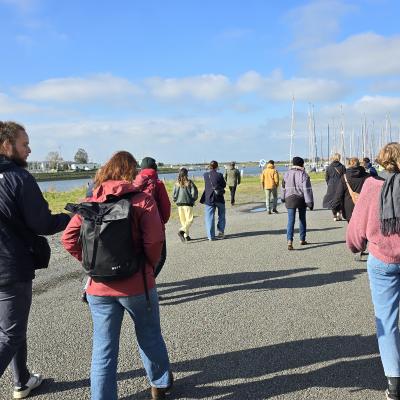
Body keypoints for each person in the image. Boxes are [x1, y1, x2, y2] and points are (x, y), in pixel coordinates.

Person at [62, 151, 172, 400]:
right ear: (130, 173)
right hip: (138, 285)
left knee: (103, 349)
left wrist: (90, 263)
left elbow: (68, 238)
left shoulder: (89, 201)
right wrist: (147, 266)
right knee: (149, 335)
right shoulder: (141, 200)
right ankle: (159, 384)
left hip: (98, 288)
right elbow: (155, 240)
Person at [0, 121, 70, 399]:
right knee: (11, 334)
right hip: (10, 267)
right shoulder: (19, 178)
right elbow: (42, 223)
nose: (30, 150)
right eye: (25, 143)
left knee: (11, 328)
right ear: (7, 145)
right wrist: (71, 218)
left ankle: (22, 380)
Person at [346, 143, 400, 400]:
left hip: (382, 259)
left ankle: (394, 383)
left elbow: (356, 228)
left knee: (387, 321)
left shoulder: (371, 186)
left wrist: (356, 246)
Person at [134, 157, 171, 278]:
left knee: (139, 256)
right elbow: (166, 207)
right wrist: (162, 221)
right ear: (155, 168)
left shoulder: (133, 183)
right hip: (154, 226)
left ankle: (139, 284)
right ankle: (147, 285)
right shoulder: (158, 183)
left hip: (135, 225)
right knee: (160, 257)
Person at [281, 157, 314, 250]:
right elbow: (307, 190)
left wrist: (282, 198)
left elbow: (283, 187)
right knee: (302, 219)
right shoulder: (304, 174)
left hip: (289, 199)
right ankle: (302, 239)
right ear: (302, 164)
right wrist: (310, 202)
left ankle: (289, 241)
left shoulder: (286, 174)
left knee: (290, 221)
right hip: (301, 199)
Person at [331, 157, 370, 222]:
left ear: (349, 165)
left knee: (352, 230)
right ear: (359, 164)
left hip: (349, 210)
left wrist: (335, 208)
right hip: (364, 208)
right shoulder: (367, 176)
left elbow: (339, 195)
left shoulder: (345, 177)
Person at [200, 160, 226, 241]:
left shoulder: (205, 175)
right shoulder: (220, 175)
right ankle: (221, 231)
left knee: (209, 217)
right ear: (217, 167)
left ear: (209, 166)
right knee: (221, 215)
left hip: (209, 199)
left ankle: (211, 236)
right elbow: (224, 185)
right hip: (219, 198)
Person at [172, 168, 198, 242]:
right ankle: (181, 231)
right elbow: (194, 193)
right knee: (189, 220)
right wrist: (193, 199)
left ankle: (186, 236)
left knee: (183, 221)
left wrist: (175, 200)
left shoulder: (176, 183)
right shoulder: (189, 183)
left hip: (179, 204)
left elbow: (174, 195)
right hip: (188, 203)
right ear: (187, 174)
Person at [323, 153, 346, 221]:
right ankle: (339, 213)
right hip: (340, 185)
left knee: (332, 200)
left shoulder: (329, 167)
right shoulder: (342, 167)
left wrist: (329, 184)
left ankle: (334, 215)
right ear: (339, 158)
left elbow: (326, 178)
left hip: (331, 186)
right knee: (341, 199)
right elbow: (345, 176)